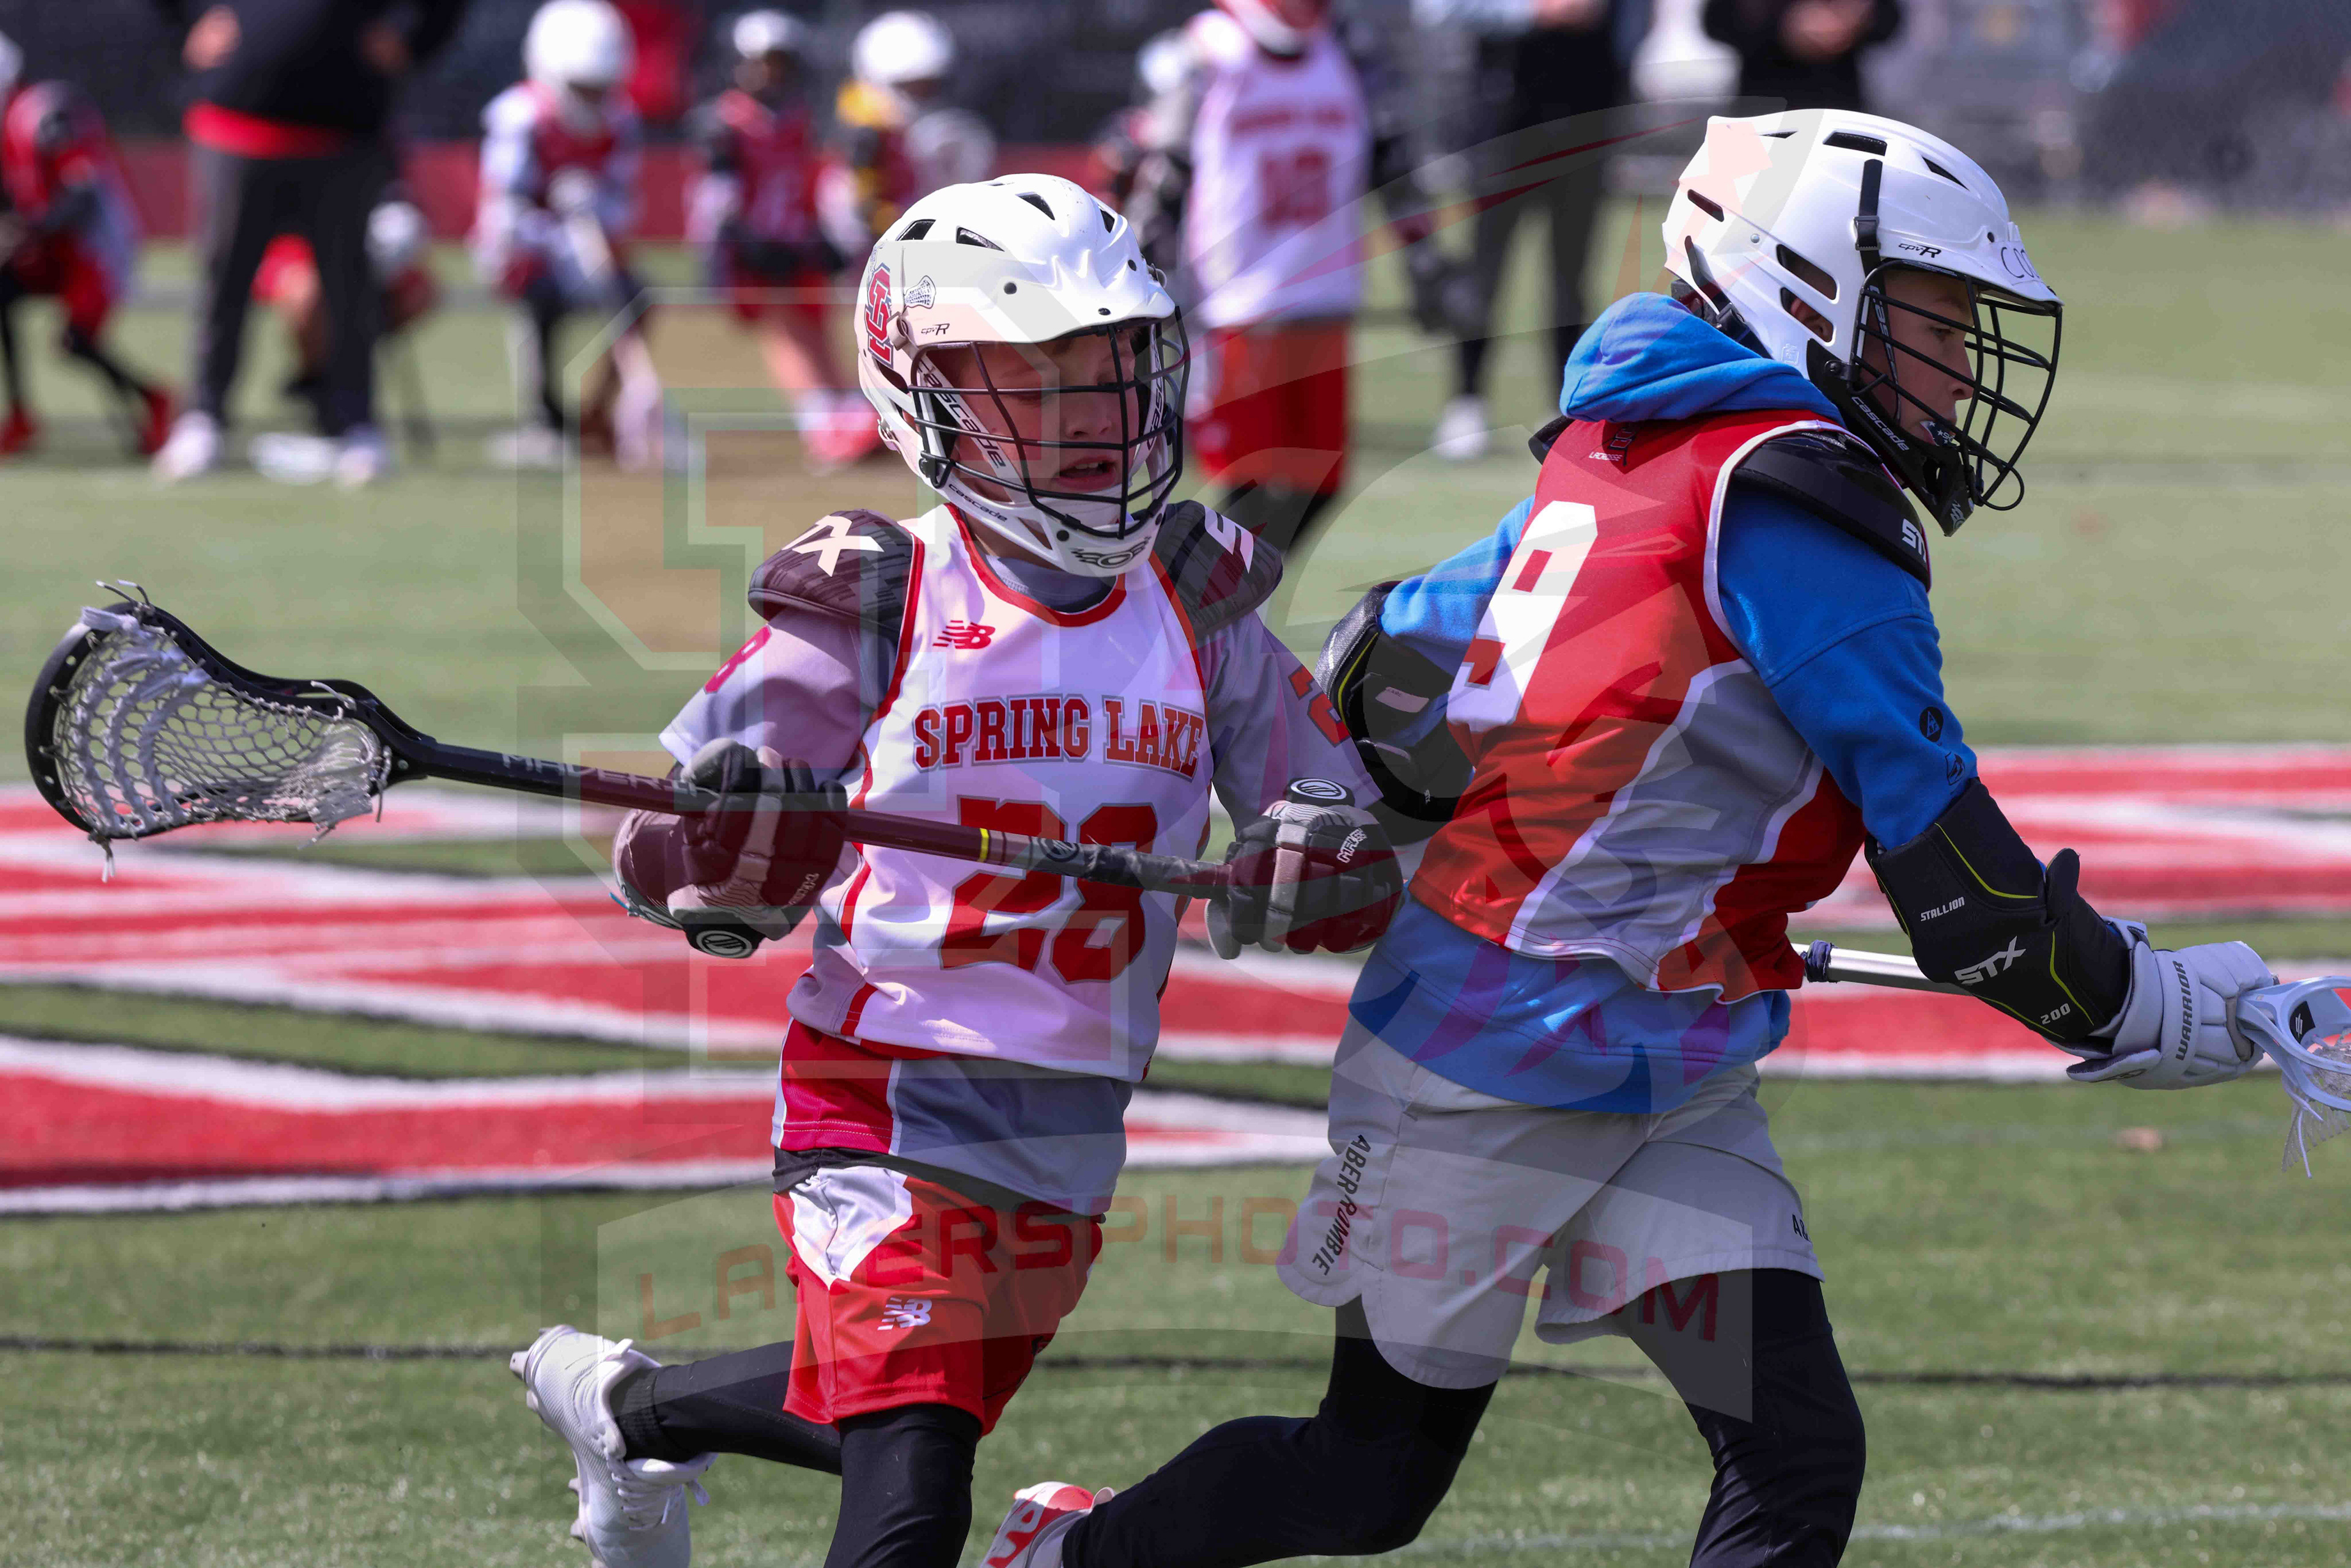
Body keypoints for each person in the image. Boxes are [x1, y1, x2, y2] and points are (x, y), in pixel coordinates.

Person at [980, 110, 2281, 1568]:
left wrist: (1375, 818)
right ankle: (1065, 1557)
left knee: (1791, 1452)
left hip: (1660, 1057)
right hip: (1485, 1066)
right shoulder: (1799, 506)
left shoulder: (1628, 439)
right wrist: (2143, 1000)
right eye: (1933, 323)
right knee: (1365, 1478)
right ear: (1806, 288)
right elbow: (1965, 893)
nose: (1963, 369)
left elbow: (1384, 662)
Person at [505, 173, 1406, 1568]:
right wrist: (734, 848)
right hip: (885, 1086)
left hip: (1074, 1114)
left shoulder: (1195, 591)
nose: (1093, 417)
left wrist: (1315, 853)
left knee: (893, 1409)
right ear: (925, 394)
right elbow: (661, 849)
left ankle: (626, 1408)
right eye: (1036, 381)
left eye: (1111, 371)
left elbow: (1326, 801)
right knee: (910, 1484)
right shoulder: (876, 592)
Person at [147, 0, 468, 486]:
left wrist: (413, 42)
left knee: (347, 285)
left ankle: (355, 425)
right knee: (224, 280)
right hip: (238, 120)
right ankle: (204, 419)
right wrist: (188, 23)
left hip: (343, 130)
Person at [1123, 0, 1374, 556]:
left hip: (1326, 292)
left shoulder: (1347, 45)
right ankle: (1203, 593)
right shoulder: (1210, 47)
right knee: (1248, 478)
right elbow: (1163, 167)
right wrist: (1144, 266)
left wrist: (1429, 262)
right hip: (1236, 298)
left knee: (1322, 480)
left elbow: (1393, 152)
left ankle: (1235, 587)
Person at [1419, 0, 1649, 464]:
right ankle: (1466, 400)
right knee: (1486, 271)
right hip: (1505, 119)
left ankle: (1567, 407)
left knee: (1571, 275)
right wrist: (1534, 12)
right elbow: (1440, 10)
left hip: (1587, 113)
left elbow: (1637, 20)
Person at [474, 0, 665, 470]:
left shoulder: (620, 120)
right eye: (583, 87)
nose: (593, 98)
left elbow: (623, 200)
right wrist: (555, 229)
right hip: (525, 253)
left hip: (589, 249)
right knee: (539, 299)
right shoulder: (520, 117)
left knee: (637, 296)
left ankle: (600, 412)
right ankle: (544, 418)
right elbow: (503, 210)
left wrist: (595, 208)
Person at [687, 10, 876, 472]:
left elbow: (816, 181)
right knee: (783, 326)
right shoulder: (725, 125)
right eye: (764, 63)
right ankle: (820, 421)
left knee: (815, 323)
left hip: (796, 244)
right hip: (752, 249)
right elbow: (717, 200)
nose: (771, 75)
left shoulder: (798, 122)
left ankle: (851, 411)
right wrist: (730, 244)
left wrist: (829, 235)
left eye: (780, 64)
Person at [0, 32, 173, 460]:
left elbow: (81, 192)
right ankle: (20, 415)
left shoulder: (46, 112)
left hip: (94, 250)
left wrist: (26, 230)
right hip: (53, 250)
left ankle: (154, 401)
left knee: (76, 342)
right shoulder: (9, 125)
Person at [251, 190, 438, 437]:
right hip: (304, 254)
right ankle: (318, 384)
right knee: (307, 296)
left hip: (361, 262)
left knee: (417, 294)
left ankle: (351, 366)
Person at [825, 10, 996, 253]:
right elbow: (849, 225)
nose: (923, 95)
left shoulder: (954, 137)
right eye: (912, 86)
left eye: (929, 85)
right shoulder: (861, 139)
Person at [1703, 0, 1902, 116]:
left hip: (1839, 110)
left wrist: (1858, 22)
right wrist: (1782, 28)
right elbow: (1716, 21)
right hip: (1764, 112)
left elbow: (1889, 19)